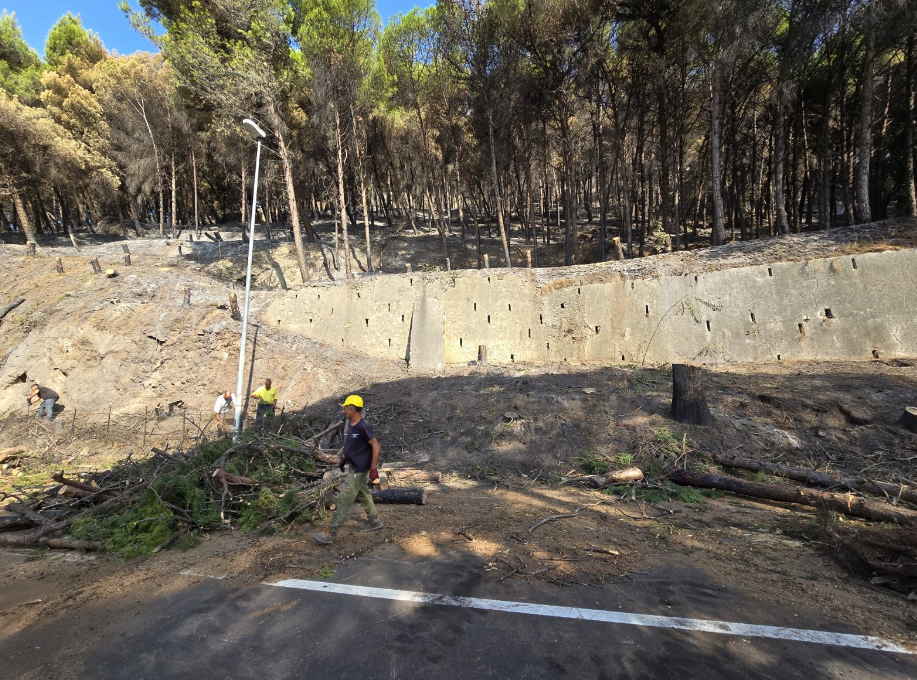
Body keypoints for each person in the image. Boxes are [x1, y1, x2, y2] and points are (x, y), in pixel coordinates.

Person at [312, 394, 382, 545]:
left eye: (345, 408)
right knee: (363, 494)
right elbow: (352, 445)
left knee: (344, 499)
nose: (343, 411)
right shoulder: (351, 423)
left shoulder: (363, 426)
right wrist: (345, 458)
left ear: (351, 409)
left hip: (359, 469)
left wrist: (373, 469)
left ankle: (330, 532)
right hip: (353, 465)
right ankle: (374, 520)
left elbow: (376, 446)